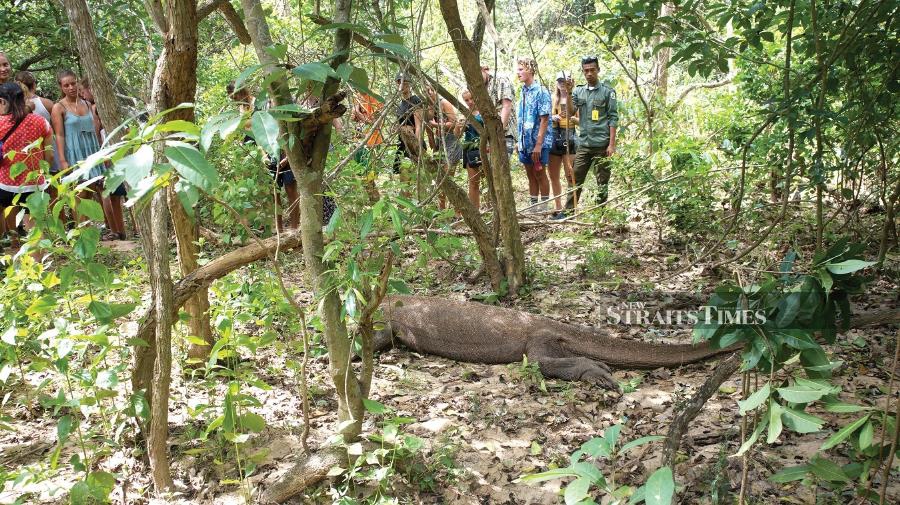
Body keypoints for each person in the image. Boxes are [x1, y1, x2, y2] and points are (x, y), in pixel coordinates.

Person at [227, 81, 300, 230]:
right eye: (233, 98)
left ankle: (294, 228)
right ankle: (278, 229)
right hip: (260, 154)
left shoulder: (261, 104)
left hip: (278, 147)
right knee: (274, 192)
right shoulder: (240, 110)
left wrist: (285, 152)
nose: (237, 99)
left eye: (238, 95)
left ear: (244, 91)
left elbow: (275, 126)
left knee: (290, 188)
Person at [554, 56, 618, 219]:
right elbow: (570, 112)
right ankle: (568, 213)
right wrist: (568, 93)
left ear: (598, 70)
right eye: (586, 70)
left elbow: (613, 118)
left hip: (602, 144)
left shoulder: (607, 92)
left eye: (592, 70)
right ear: (583, 72)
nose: (589, 73)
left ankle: (600, 214)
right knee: (575, 178)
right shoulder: (578, 91)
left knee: (602, 181)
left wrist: (612, 144)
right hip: (584, 144)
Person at [51, 70, 111, 232]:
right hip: (74, 154)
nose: (71, 87)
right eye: (66, 85)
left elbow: (96, 131)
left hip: (92, 152)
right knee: (80, 194)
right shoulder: (59, 107)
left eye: (73, 83)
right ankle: (81, 233)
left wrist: (102, 153)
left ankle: (99, 230)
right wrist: (63, 160)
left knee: (96, 192)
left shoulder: (87, 104)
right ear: (61, 87)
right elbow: (59, 136)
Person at [0, 82, 53, 248]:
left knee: (9, 216)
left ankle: (14, 250)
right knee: (34, 228)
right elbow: (49, 156)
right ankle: (37, 266)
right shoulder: (41, 122)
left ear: (3, 101)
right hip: (35, 184)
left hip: (6, 184)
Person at [79, 77, 127, 239]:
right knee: (116, 194)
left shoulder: (96, 107)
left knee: (109, 193)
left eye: (84, 91)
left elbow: (97, 133)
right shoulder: (110, 104)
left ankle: (116, 230)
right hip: (118, 151)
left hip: (109, 153)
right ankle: (121, 231)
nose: (83, 95)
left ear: (91, 88)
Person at [515, 57, 552, 212]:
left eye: (521, 69)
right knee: (530, 174)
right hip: (525, 143)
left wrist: (538, 145)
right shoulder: (523, 91)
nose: (518, 73)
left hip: (538, 143)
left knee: (540, 173)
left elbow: (544, 120)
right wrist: (519, 141)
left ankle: (543, 207)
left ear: (530, 70)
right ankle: (533, 207)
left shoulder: (541, 91)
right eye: (517, 70)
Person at [424, 85, 462, 210]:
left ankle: (458, 210)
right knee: (440, 179)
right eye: (425, 91)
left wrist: (436, 125)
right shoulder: (429, 107)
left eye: (430, 90)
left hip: (451, 141)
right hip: (439, 143)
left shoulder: (444, 103)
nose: (428, 93)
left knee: (448, 179)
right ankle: (442, 210)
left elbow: (454, 123)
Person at [548, 71, 578, 211]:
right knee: (553, 175)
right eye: (559, 81)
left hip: (570, 137)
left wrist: (573, 119)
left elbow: (581, 120)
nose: (562, 84)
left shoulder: (574, 98)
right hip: (554, 137)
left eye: (565, 81)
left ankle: (571, 207)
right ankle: (558, 207)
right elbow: (544, 119)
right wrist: (554, 118)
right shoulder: (552, 98)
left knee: (570, 175)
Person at [392, 72, 423, 176]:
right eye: (399, 82)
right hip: (402, 143)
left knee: (414, 179)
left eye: (405, 82)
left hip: (413, 142)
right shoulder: (400, 105)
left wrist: (417, 146)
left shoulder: (415, 100)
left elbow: (419, 126)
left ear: (409, 84)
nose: (402, 85)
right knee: (404, 181)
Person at [458, 90, 485, 209]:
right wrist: (459, 126)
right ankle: (475, 211)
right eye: (466, 100)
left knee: (491, 181)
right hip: (469, 149)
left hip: (485, 148)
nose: (470, 102)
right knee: (473, 182)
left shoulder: (484, 111)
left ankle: (493, 209)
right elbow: (457, 135)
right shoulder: (464, 114)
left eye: (471, 98)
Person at [481, 65, 516, 156]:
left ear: (485, 70)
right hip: (491, 133)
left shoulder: (500, 79)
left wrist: (499, 131)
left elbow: (506, 106)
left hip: (504, 132)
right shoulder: (483, 86)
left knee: (502, 165)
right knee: (493, 166)